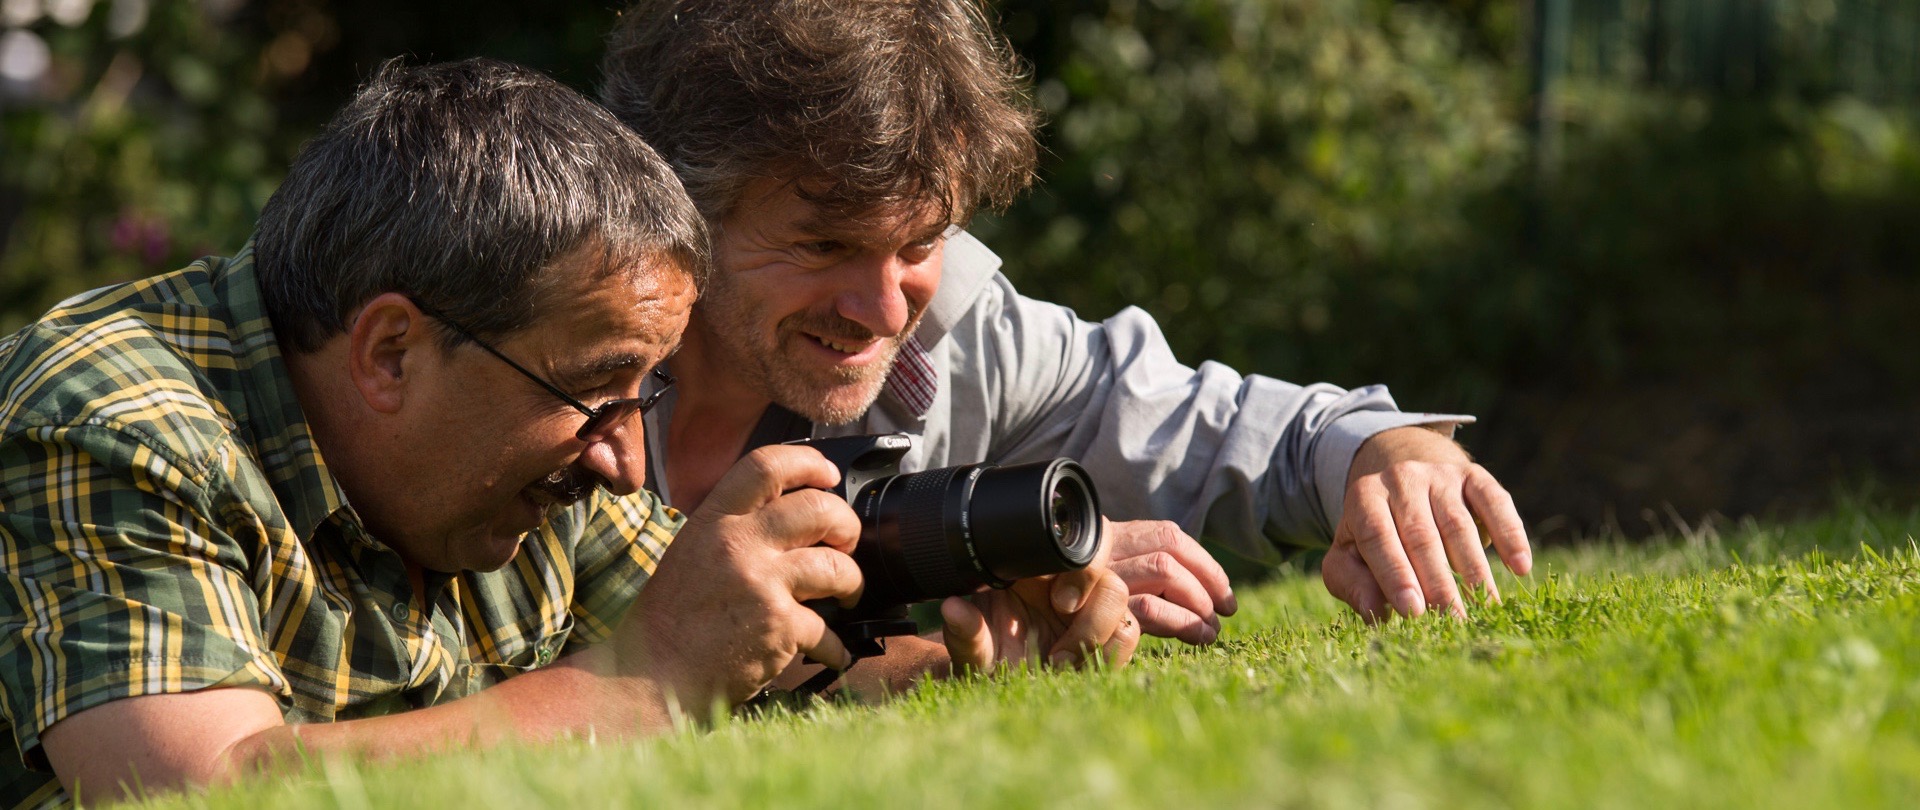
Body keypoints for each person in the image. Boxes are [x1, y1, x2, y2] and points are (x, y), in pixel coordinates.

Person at [0, 58, 1135, 808]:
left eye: (643, 391)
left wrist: (975, 658)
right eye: (598, 389)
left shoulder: (533, 445)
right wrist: (639, 686)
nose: (621, 455)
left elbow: (759, 671)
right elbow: (196, 793)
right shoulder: (113, 420)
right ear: (390, 352)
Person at [600, 0, 1535, 646]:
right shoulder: (522, 342)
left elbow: (1211, 432)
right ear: (675, 201)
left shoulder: (965, 337)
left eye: (923, 240)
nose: (885, 311)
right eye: (822, 245)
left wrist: (1381, 455)